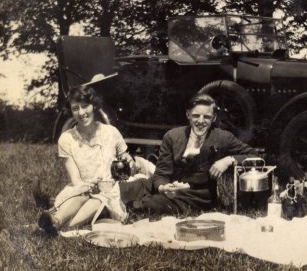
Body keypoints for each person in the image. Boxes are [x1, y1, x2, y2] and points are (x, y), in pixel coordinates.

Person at [120, 93, 258, 215]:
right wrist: (162, 187)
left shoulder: (223, 137)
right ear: (188, 115)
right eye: (196, 116)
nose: (201, 121)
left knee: (148, 205)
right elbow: (161, 174)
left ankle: (131, 207)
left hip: (194, 197)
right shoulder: (172, 136)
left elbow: (254, 156)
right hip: (165, 188)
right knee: (120, 191)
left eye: (207, 117)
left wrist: (229, 160)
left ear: (214, 118)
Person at [38, 86, 134, 234]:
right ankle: (56, 222)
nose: (81, 113)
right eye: (75, 108)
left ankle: (58, 225)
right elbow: (76, 179)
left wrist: (128, 161)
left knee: (98, 200)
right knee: (83, 194)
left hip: (108, 194)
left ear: (94, 105)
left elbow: (126, 161)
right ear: (71, 111)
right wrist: (86, 188)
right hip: (82, 190)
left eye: (85, 106)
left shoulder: (111, 132)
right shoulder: (66, 139)